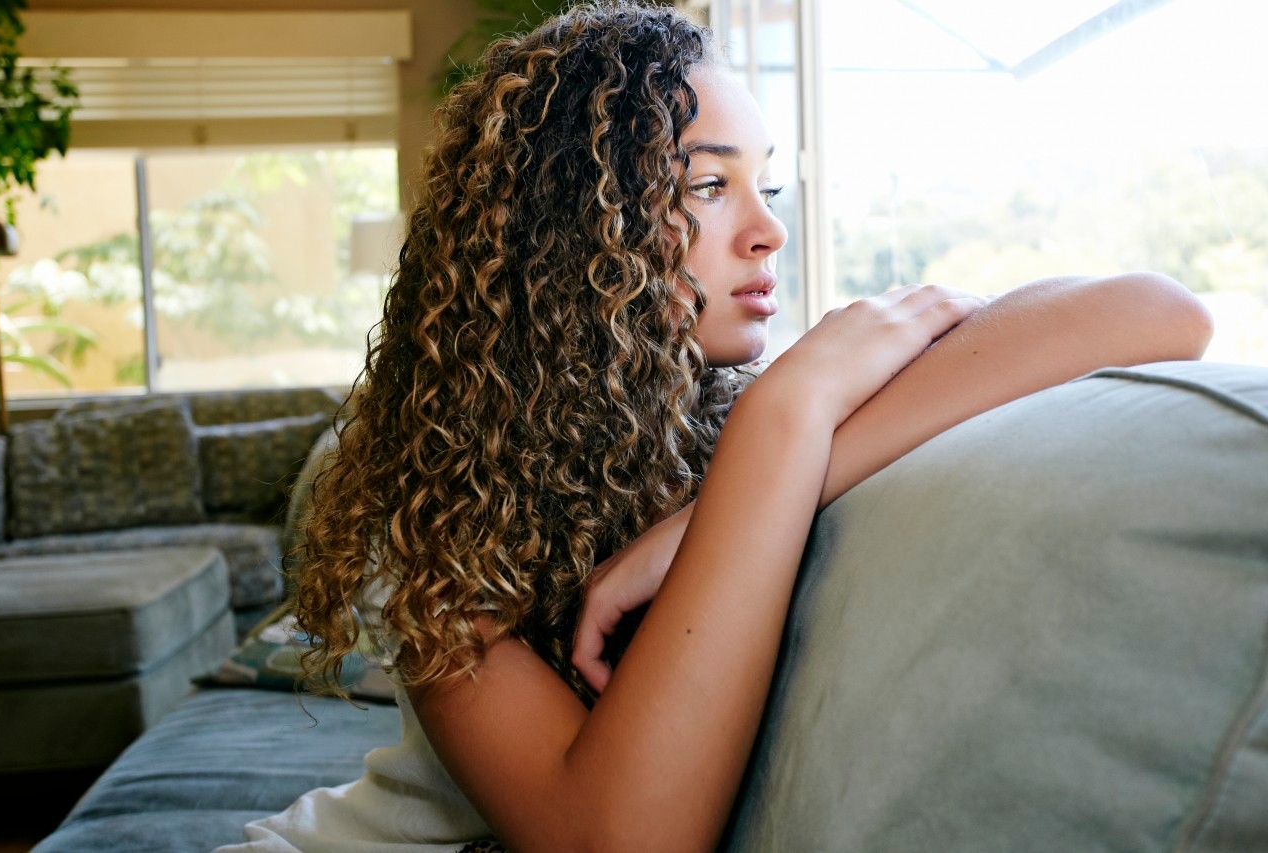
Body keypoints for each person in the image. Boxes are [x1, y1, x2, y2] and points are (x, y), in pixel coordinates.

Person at [220, 2, 1214, 851]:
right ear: (576, 229)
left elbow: (1157, 311)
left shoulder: (749, 408)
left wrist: (745, 467)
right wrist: (781, 428)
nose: (766, 228)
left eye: (763, 183)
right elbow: (620, 836)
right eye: (706, 185)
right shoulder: (441, 508)